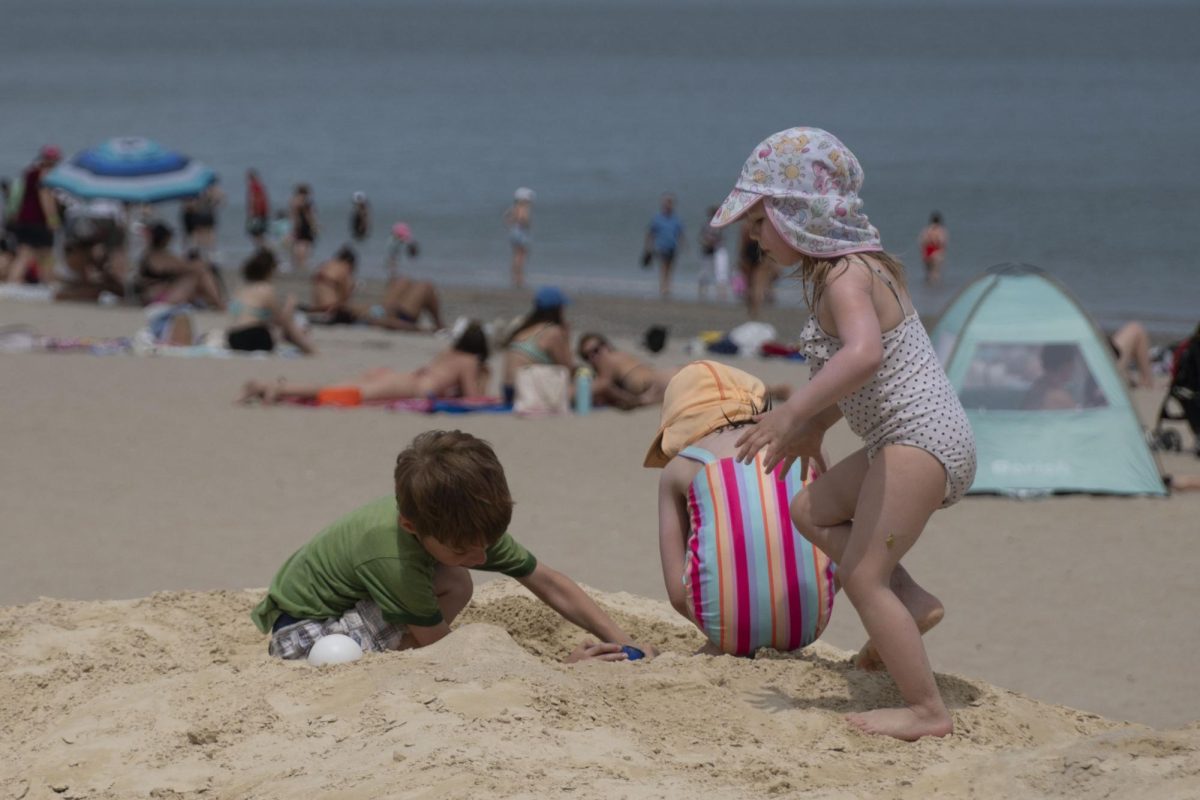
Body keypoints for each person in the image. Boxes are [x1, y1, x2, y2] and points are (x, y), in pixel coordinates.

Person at [712, 127, 976, 740]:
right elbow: (868, 378)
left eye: (758, 222)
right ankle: (911, 604)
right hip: (909, 440)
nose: (752, 238)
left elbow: (862, 357)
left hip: (919, 441)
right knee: (811, 509)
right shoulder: (853, 271)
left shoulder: (844, 279)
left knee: (862, 577)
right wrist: (820, 426)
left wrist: (793, 414)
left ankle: (926, 711)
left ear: (797, 214)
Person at [249, 430, 652, 664]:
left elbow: (548, 581)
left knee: (455, 579)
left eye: (488, 544)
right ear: (411, 526)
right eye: (463, 550)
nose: (480, 557)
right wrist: (562, 667)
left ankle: (398, 647)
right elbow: (447, 651)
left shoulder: (462, 524)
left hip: (348, 609)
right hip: (303, 635)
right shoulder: (394, 556)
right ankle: (398, 660)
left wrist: (623, 639)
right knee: (455, 583)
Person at [646, 361, 837, 656]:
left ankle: (728, 635)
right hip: (811, 620)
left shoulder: (679, 468)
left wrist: (720, 630)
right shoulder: (809, 445)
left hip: (726, 631)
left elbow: (675, 592)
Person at [240, 321, 492, 405]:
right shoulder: (469, 360)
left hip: (397, 376)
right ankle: (278, 389)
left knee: (336, 387)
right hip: (408, 385)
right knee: (345, 394)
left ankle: (269, 386)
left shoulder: (448, 353)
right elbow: (471, 397)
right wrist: (484, 377)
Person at [226, 248, 315, 354]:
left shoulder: (241, 288)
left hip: (233, 337)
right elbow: (280, 320)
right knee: (289, 325)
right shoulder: (266, 289)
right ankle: (307, 348)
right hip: (253, 336)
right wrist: (290, 306)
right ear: (269, 270)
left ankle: (306, 346)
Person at [502, 286, 573, 406]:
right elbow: (566, 368)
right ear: (557, 309)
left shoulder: (524, 327)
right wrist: (566, 338)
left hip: (509, 390)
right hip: (527, 391)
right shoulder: (552, 332)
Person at [134, 222, 225, 309]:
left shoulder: (152, 255)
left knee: (199, 276)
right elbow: (182, 266)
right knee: (197, 276)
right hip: (159, 299)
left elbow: (181, 265)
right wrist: (200, 265)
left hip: (163, 295)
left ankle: (216, 303)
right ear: (165, 239)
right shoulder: (156, 257)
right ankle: (219, 303)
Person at [5, 145, 62, 285]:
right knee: (46, 253)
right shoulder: (46, 174)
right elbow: (45, 197)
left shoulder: (30, 172)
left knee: (24, 253)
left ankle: (13, 281)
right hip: (38, 220)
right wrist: (52, 218)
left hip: (24, 219)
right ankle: (48, 282)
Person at [577, 332, 676, 410]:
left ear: (606, 346)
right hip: (667, 378)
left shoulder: (607, 359)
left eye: (595, 351)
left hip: (662, 382)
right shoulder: (619, 356)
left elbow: (603, 385)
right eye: (586, 356)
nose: (593, 357)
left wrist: (569, 393)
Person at [644, 193, 684, 299]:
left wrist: (683, 245)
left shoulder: (676, 219)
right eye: (667, 203)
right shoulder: (657, 218)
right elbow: (651, 233)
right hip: (661, 246)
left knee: (670, 267)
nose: (668, 205)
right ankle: (663, 287)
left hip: (673, 246)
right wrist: (648, 246)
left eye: (670, 203)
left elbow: (680, 233)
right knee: (663, 266)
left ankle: (668, 286)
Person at [181, 180, 224, 255]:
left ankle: (194, 252)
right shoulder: (212, 189)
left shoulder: (193, 188)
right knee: (206, 235)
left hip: (199, 215)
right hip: (204, 214)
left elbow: (189, 205)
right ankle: (209, 253)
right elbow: (221, 201)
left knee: (196, 236)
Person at [697, 206, 731, 302]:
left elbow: (724, 234)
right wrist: (707, 242)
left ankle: (721, 292)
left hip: (718, 249)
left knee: (721, 271)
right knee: (704, 272)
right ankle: (702, 291)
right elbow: (701, 238)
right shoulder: (706, 225)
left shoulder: (721, 224)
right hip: (707, 250)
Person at [1110, 320, 1154, 389]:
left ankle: (1130, 375)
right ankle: (1146, 381)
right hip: (1103, 367)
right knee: (1136, 329)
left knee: (1135, 329)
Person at [504, 187, 534, 288]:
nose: (530, 200)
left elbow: (507, 217)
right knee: (521, 256)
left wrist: (510, 225)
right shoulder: (523, 207)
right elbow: (523, 219)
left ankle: (514, 278)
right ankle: (519, 279)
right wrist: (527, 224)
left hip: (514, 231)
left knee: (516, 255)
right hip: (521, 232)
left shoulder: (514, 207)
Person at [289, 184, 318, 273]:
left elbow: (293, 215)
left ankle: (298, 264)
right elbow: (309, 215)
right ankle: (303, 264)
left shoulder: (293, 201)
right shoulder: (305, 201)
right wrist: (314, 226)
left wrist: (294, 226)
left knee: (298, 244)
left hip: (298, 224)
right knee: (305, 244)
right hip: (305, 224)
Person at [918, 212, 948, 287]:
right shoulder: (941, 230)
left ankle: (927, 289)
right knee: (935, 273)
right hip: (936, 252)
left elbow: (922, 242)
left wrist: (923, 253)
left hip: (927, 251)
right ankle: (934, 290)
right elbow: (942, 242)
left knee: (928, 273)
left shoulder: (927, 230)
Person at [245, 169, 270, 247]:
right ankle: (263, 248)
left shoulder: (253, 186)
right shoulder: (260, 186)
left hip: (257, 214)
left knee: (254, 232)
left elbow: (253, 199)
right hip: (263, 213)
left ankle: (261, 248)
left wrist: (252, 212)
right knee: (260, 233)